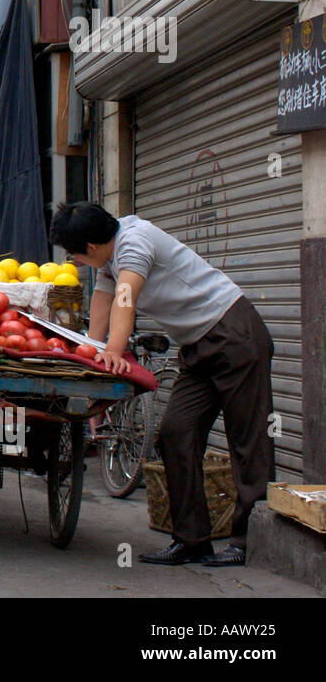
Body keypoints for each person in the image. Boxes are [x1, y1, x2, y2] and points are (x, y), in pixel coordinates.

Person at [49, 202, 275, 567]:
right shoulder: (107, 256)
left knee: (248, 442)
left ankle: (249, 542)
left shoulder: (134, 243)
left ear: (89, 247)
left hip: (235, 335)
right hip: (198, 348)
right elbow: (103, 306)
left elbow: (126, 297)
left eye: (73, 254)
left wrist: (116, 352)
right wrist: (91, 350)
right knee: (175, 433)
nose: (72, 261)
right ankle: (192, 539)